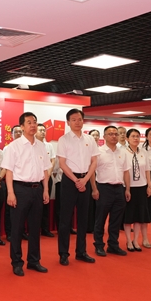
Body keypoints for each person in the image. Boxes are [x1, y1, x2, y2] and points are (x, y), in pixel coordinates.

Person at [1, 112, 51, 276]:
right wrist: (10, 193)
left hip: (37, 189)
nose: (33, 125)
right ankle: (16, 262)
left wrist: (45, 189)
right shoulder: (13, 146)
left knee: (35, 227)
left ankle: (34, 261)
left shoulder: (41, 146)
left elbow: (45, 170)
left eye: (34, 122)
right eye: (29, 122)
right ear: (22, 126)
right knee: (17, 228)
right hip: (20, 189)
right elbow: (9, 171)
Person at [56, 109, 99, 266]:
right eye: (73, 119)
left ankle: (81, 252)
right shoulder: (63, 140)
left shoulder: (90, 139)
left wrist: (85, 179)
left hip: (85, 179)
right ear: (68, 122)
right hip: (69, 181)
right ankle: (63, 253)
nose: (77, 122)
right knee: (65, 219)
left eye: (79, 119)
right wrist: (76, 180)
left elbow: (94, 162)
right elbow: (62, 163)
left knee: (83, 218)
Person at [90, 126, 131, 257]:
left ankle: (113, 245)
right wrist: (94, 189)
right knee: (100, 219)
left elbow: (126, 172)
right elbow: (91, 172)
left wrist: (127, 189)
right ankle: (99, 245)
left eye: (115, 134)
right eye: (110, 134)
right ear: (104, 137)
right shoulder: (98, 152)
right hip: (103, 188)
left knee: (116, 220)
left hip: (119, 189)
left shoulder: (123, 152)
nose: (114, 136)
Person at [122, 128, 151, 252]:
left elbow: (147, 170)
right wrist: (127, 188)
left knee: (139, 216)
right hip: (128, 188)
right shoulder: (123, 152)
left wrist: (149, 185)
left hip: (141, 187)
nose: (136, 138)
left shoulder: (143, 152)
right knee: (128, 216)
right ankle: (128, 240)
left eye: (137, 136)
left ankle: (136, 240)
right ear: (127, 138)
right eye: (133, 136)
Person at [36, 124, 56, 238]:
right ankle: (34, 229)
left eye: (44, 130)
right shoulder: (33, 145)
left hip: (48, 178)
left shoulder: (49, 146)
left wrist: (48, 173)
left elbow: (53, 160)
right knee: (36, 204)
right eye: (40, 130)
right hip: (36, 179)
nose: (43, 132)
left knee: (46, 203)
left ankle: (45, 228)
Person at [3, 125, 22, 242]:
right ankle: (9, 232)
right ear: (12, 135)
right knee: (10, 209)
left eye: (20, 132)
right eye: (16, 132)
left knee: (22, 209)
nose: (19, 134)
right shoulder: (8, 148)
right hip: (12, 182)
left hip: (24, 183)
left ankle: (21, 232)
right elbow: (6, 168)